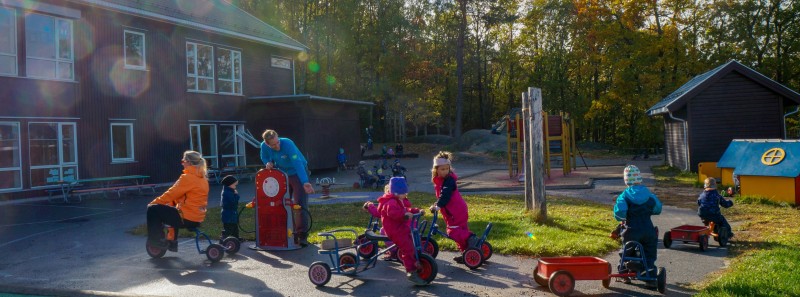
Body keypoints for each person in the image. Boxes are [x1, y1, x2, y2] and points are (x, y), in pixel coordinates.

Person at [260, 129, 315, 246]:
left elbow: (297, 162)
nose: (277, 146)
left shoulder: (288, 143)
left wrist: (305, 181)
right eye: (273, 145)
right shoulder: (263, 146)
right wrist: (267, 162)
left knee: (299, 204)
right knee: (283, 204)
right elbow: (264, 157)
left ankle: (302, 235)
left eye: (278, 142)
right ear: (267, 144)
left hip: (297, 172)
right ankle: (290, 234)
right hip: (283, 174)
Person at [147, 150, 209, 249]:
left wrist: (153, 203)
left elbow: (171, 193)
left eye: (183, 161)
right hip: (197, 218)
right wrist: (169, 203)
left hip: (186, 218)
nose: (182, 163)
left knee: (152, 210)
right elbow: (182, 197)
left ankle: (156, 241)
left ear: (189, 162)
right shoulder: (203, 179)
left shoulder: (187, 178)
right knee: (171, 207)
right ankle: (172, 243)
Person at [613, 165, 662, 287]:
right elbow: (658, 208)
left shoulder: (624, 196)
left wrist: (623, 217)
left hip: (632, 229)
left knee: (627, 250)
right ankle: (649, 275)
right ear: (640, 179)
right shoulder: (649, 194)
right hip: (647, 228)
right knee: (649, 251)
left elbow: (620, 213)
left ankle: (624, 272)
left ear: (626, 180)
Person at [428, 151, 478, 264]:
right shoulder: (441, 181)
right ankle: (466, 252)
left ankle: (471, 238)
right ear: (436, 170)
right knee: (461, 230)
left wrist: (438, 206)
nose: (445, 171)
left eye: (447, 168)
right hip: (456, 210)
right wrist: (437, 204)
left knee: (453, 232)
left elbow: (445, 195)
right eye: (442, 169)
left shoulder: (449, 181)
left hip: (455, 212)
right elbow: (442, 196)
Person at [377, 177, 426, 285]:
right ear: (396, 192)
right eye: (403, 193)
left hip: (400, 228)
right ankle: (411, 272)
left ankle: (416, 261)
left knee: (413, 243)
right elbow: (393, 213)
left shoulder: (398, 200)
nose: (405, 195)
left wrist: (416, 211)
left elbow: (405, 210)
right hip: (394, 230)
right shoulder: (390, 202)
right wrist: (404, 215)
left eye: (405, 193)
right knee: (407, 248)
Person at [363, 182, 420, 261]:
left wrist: (370, 207)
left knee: (383, 231)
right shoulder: (402, 201)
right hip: (410, 224)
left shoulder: (391, 203)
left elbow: (379, 213)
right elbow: (408, 210)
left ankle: (393, 251)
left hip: (400, 226)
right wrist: (416, 210)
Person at [219, 175, 240, 242]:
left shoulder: (229, 191)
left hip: (231, 214)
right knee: (228, 229)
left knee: (235, 228)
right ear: (229, 184)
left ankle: (236, 239)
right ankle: (223, 239)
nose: (235, 186)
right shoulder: (227, 193)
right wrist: (236, 195)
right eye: (234, 185)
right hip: (229, 215)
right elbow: (233, 201)